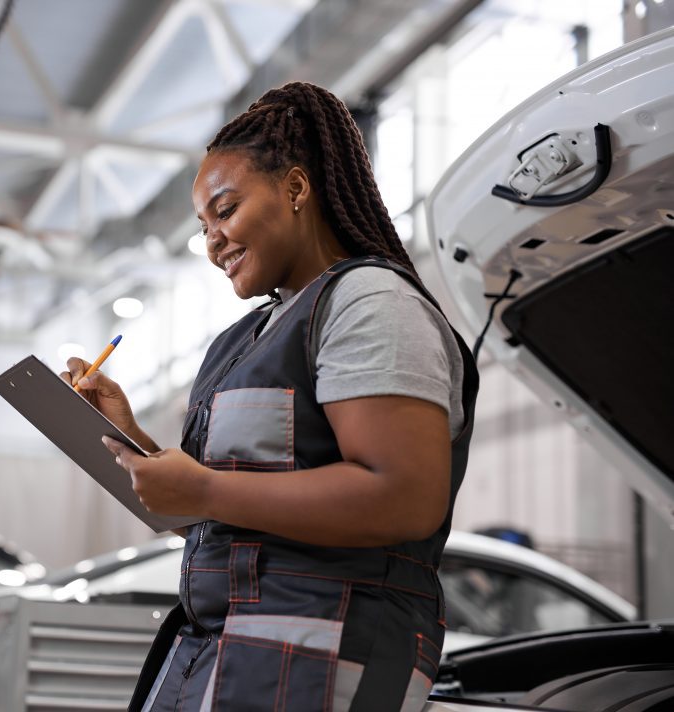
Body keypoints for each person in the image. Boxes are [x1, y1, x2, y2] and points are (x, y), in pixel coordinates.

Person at [62, 82, 479, 712]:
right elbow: (234, 519)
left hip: (320, 653)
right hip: (222, 650)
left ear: (295, 188)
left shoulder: (370, 303)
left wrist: (201, 490)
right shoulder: (244, 338)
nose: (213, 243)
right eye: (203, 227)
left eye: (225, 212)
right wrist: (137, 444)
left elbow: (404, 496)